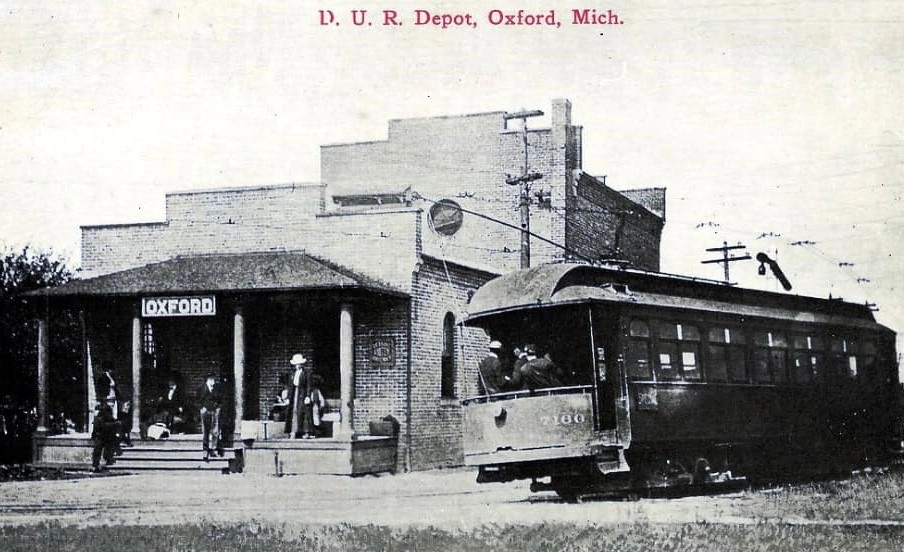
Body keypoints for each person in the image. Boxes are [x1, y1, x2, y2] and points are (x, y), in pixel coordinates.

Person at [198, 373, 223, 460]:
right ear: (207, 380)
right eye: (211, 379)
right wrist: (202, 408)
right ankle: (205, 450)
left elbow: (221, 399)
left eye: (214, 379)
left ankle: (213, 449)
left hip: (215, 411)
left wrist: (218, 408)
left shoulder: (217, 388)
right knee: (206, 431)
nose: (213, 380)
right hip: (205, 411)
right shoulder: (202, 388)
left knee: (215, 431)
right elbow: (198, 400)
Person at [91, 402, 118, 472]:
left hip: (106, 437)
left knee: (105, 450)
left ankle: (102, 463)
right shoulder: (99, 418)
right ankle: (95, 465)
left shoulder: (107, 418)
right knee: (97, 451)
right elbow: (103, 426)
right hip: (100, 436)